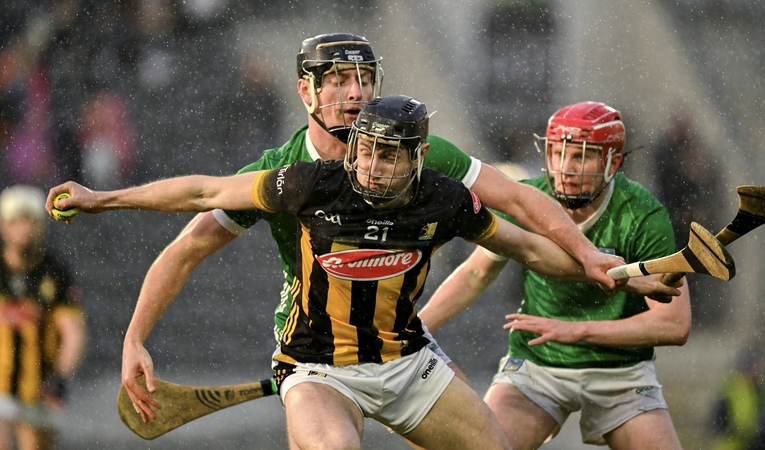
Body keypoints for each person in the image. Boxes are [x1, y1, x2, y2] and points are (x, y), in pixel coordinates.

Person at [47, 94, 640, 449]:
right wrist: (102, 198)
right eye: (364, 149)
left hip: (407, 363)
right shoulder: (309, 183)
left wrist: (605, 270)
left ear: (417, 155)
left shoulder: (445, 198)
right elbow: (203, 190)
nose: (371, 165)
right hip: (316, 366)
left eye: (388, 155)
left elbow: (529, 248)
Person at [419, 101, 690, 450]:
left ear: (613, 162)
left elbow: (674, 325)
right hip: (536, 367)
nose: (565, 168)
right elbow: (474, 273)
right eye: (557, 153)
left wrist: (577, 331)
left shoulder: (643, 216)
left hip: (621, 373)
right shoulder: (531, 201)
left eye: (581, 157)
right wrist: (415, 330)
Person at [0, 185, 86, 450]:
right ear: (3, 226)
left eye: (29, 221)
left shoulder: (55, 272)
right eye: (15, 221)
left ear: (41, 226)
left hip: (38, 385)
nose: (22, 229)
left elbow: (73, 333)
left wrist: (59, 378)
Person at [709, 344, 765, 450]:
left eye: (758, 366)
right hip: (734, 446)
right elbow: (719, 420)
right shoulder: (732, 389)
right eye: (752, 366)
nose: (756, 371)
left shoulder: (764, 391)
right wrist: (738, 431)